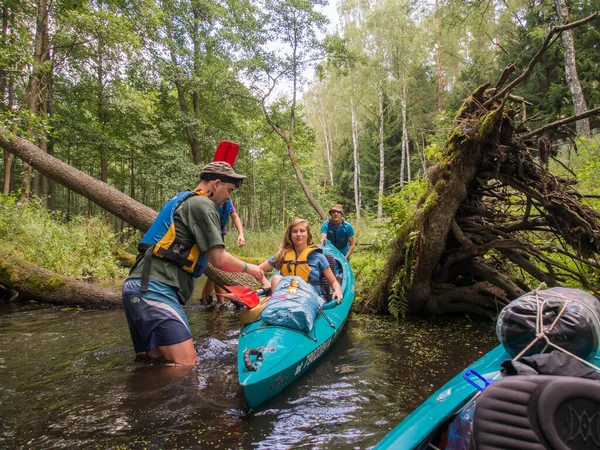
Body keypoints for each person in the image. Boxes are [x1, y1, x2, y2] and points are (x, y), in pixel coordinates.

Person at [121, 161, 264, 366]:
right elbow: (218, 258)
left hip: (136, 287)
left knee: (156, 364)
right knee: (186, 366)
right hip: (156, 289)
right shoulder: (203, 204)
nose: (229, 197)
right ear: (216, 184)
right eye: (229, 190)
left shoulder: (184, 200)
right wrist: (252, 269)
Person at [259, 218, 342, 303]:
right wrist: (266, 282)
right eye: (295, 231)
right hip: (288, 297)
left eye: (302, 231)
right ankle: (277, 306)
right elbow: (259, 269)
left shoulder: (319, 257)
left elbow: (333, 281)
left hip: (311, 299)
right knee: (276, 278)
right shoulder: (282, 255)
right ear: (290, 235)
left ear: (308, 234)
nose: (298, 234)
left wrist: (338, 290)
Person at [201, 198, 245, 304]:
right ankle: (205, 302)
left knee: (217, 269)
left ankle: (220, 302)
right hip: (208, 235)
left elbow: (235, 217)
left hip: (219, 235)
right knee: (214, 269)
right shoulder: (209, 199)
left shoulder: (228, 201)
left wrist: (241, 234)